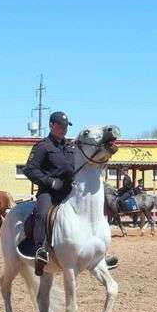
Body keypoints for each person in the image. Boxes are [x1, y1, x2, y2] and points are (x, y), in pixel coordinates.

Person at [23, 111, 118, 276]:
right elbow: (29, 169)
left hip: (71, 190)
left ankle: (98, 253)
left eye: (66, 127)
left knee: (91, 212)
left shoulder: (70, 147)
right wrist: (50, 182)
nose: (64, 129)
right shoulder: (42, 146)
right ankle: (40, 250)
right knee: (43, 213)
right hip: (50, 192)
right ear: (52, 126)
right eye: (61, 126)